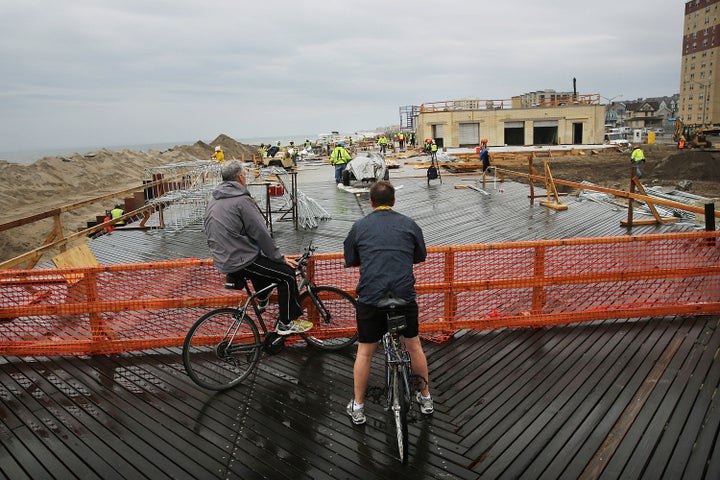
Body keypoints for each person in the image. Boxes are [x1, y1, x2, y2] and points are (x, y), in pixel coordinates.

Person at [343, 180, 433, 425]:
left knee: (365, 351)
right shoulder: (409, 224)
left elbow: (350, 259)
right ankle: (425, 398)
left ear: (370, 202)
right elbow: (420, 255)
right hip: (404, 296)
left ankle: (358, 406)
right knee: (413, 346)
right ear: (394, 201)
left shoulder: (359, 226)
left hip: (371, 297)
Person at [204, 160, 312, 335]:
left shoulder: (214, 200)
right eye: (245, 175)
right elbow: (261, 233)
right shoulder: (241, 200)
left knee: (262, 263)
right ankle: (286, 323)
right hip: (239, 258)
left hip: (223, 257)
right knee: (287, 275)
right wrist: (279, 257)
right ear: (240, 178)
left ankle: (262, 297)